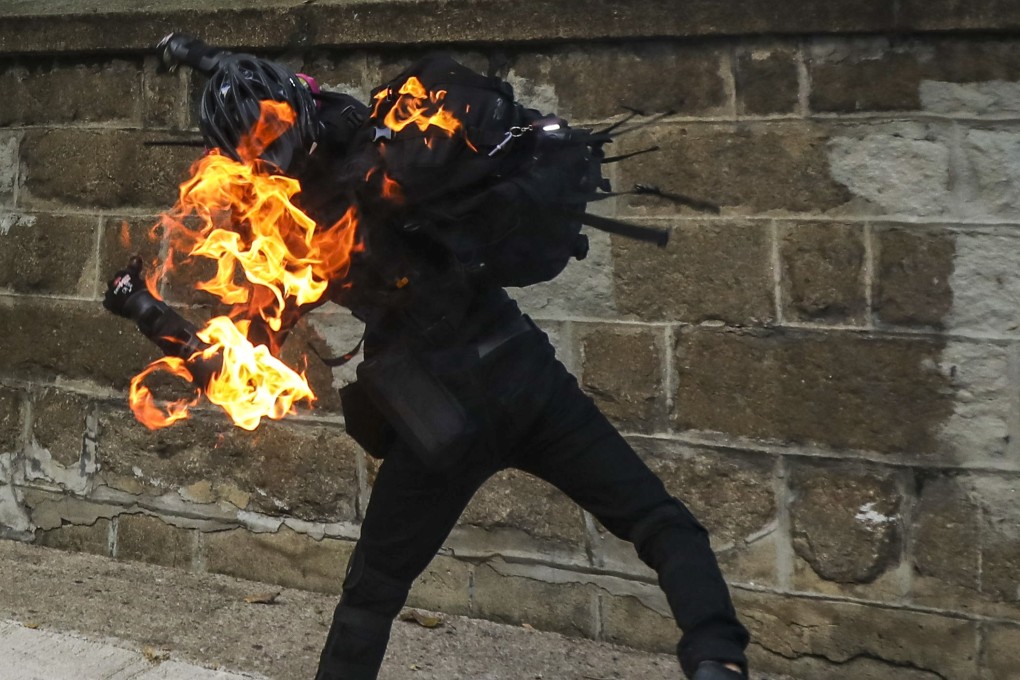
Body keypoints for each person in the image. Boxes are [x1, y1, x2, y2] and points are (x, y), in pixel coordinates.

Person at [106, 35, 751, 680]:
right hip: (523, 371)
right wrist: (216, 61)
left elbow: (234, 369)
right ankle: (716, 656)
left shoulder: (297, 228)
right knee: (657, 519)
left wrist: (146, 311)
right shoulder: (393, 141)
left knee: (373, 591)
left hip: (441, 413)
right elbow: (318, 104)